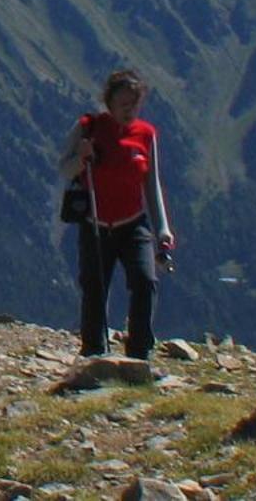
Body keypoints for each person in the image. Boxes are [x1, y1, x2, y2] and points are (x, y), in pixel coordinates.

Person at [59, 68, 176, 359]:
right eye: (123, 104)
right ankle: (94, 350)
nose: (129, 110)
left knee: (145, 281)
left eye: (134, 104)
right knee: (95, 287)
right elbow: (64, 168)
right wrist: (81, 156)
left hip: (133, 223)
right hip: (96, 224)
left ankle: (139, 352)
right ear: (109, 102)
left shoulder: (146, 135)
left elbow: (151, 183)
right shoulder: (88, 127)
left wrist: (163, 228)